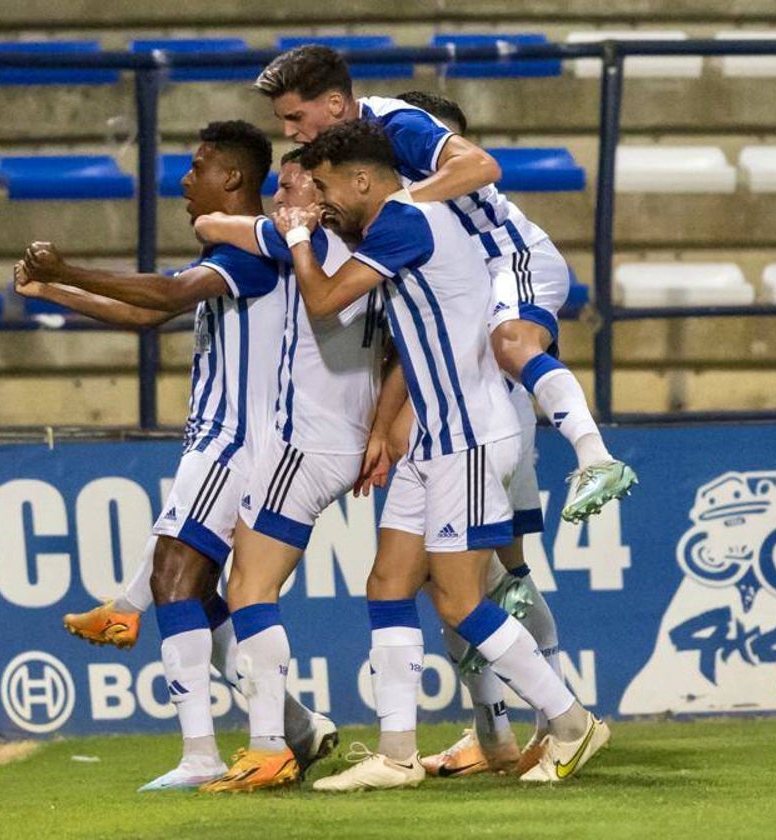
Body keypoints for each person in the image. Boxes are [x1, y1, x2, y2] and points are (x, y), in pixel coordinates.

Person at [272, 120, 609, 790]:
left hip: (472, 438)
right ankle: (397, 754)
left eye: (330, 185)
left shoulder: (405, 219)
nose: (324, 199)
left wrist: (295, 235)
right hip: (435, 438)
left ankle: (572, 723)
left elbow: (324, 301)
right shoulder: (399, 222)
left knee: (459, 601)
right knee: (389, 585)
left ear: (364, 179)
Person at [15, 120, 334, 791]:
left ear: (234, 179)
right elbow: (144, 315)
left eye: (198, 168)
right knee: (193, 588)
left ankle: (202, 753)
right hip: (227, 442)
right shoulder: (237, 250)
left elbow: (164, 297)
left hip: (233, 445)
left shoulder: (248, 254)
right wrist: (52, 292)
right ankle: (295, 727)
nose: (185, 182)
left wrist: (66, 267)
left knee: (173, 580)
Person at [254, 45, 637, 524]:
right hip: (461, 286)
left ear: (333, 104)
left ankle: (595, 456)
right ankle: (505, 576)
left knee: (511, 344)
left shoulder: (395, 126)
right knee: (431, 432)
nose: (289, 131)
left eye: (295, 116)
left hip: (505, 256)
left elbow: (481, 166)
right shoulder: (342, 156)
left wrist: (401, 204)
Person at [187, 147, 384, 791]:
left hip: (304, 440)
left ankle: (271, 746)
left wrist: (218, 224)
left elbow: (221, 226)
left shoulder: (309, 238)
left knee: (248, 588)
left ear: (324, 194)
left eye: (294, 184)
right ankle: (278, 739)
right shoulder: (375, 250)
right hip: (346, 436)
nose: (281, 196)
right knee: (251, 585)